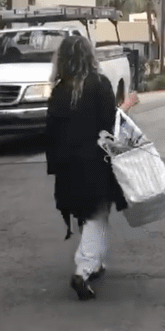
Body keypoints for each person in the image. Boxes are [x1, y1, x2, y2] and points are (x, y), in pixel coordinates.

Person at [46, 35, 128, 300]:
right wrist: (126, 106)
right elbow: (109, 123)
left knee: (85, 212)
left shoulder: (59, 90)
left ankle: (96, 262)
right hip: (95, 161)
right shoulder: (99, 84)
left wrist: (54, 165)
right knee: (97, 214)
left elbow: (51, 132)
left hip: (66, 164)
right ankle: (83, 269)